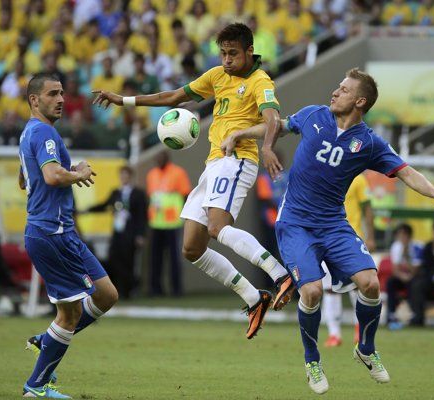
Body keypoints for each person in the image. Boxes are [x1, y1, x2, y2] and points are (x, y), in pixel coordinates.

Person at [223, 68, 434, 394]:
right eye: (338, 86)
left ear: (360, 101)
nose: (335, 92)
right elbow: (277, 126)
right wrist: (241, 134)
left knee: (371, 283)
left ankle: (366, 349)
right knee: (312, 292)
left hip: (334, 225)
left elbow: (405, 171)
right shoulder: (313, 115)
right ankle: (312, 360)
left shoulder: (369, 143)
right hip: (296, 224)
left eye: (344, 89)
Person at [93, 23, 295, 339]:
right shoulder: (216, 76)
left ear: (249, 51)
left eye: (233, 53)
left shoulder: (260, 81)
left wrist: (267, 146)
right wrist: (124, 100)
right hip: (213, 164)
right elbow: (174, 96)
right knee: (191, 248)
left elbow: (272, 119)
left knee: (216, 228)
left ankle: (280, 274)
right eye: (223, 53)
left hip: (237, 160)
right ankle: (254, 298)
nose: (227, 60)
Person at [19, 73, 118, 398]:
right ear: (35, 100)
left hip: (60, 232)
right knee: (70, 313)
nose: (61, 99)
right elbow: (50, 176)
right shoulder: (43, 131)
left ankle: (46, 340)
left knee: (106, 295)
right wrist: (79, 172)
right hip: (52, 233)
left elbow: (25, 179)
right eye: (52, 94)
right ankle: (36, 386)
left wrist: (69, 170)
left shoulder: (30, 132)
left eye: (61, 93)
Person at [321, 173, 376, 347]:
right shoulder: (325, 175)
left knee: (357, 287)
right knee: (330, 289)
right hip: (326, 239)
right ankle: (334, 334)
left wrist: (371, 236)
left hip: (351, 239)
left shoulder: (358, 179)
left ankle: (359, 328)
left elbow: (367, 208)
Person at [86, 165, 147, 299]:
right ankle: (118, 289)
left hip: (130, 233)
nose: (123, 178)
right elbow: (104, 205)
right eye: (122, 175)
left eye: (126, 175)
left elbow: (142, 216)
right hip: (118, 232)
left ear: (130, 176)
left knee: (129, 260)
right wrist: (87, 210)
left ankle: (129, 291)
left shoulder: (138, 194)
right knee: (115, 259)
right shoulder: (116, 193)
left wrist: (140, 235)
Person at [147, 151, 191, 297]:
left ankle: (176, 289)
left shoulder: (178, 172)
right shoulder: (152, 174)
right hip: (156, 223)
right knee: (155, 258)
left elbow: (186, 194)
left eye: (161, 158)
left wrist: (185, 215)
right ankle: (155, 289)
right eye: (157, 158)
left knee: (174, 258)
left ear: (167, 159)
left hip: (173, 222)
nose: (158, 161)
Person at [386, 223, 423, 330]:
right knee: (391, 282)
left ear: (409, 236)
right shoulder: (396, 246)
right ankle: (391, 314)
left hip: (414, 277)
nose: (401, 238)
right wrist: (403, 277)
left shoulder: (417, 246)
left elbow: (415, 270)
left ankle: (416, 315)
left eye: (404, 235)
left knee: (415, 284)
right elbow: (395, 269)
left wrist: (406, 256)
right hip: (402, 277)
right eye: (399, 235)